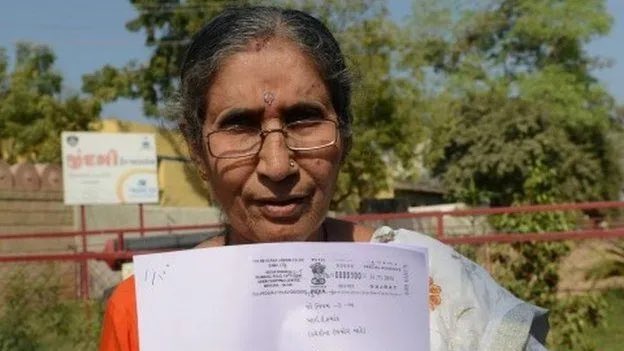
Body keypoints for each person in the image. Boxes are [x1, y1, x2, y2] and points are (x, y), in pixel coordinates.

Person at [99, 6, 548, 351]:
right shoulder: (146, 314)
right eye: (239, 125)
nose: (277, 166)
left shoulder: (436, 283)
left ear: (345, 135)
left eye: (304, 120)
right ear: (197, 149)